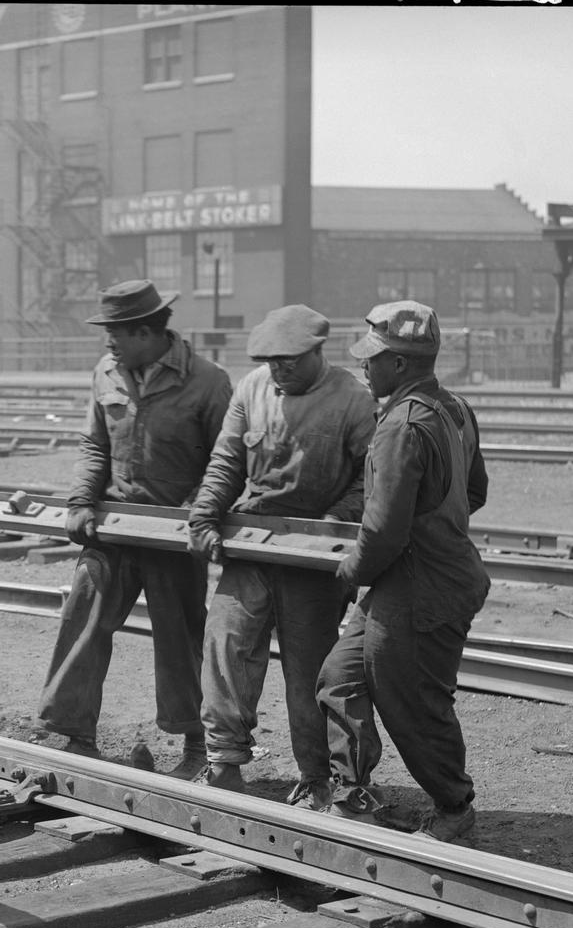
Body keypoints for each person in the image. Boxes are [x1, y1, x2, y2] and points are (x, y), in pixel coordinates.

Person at [316, 300, 491, 843]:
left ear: (399, 364)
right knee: (340, 676)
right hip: (414, 576)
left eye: (372, 358)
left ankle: (453, 809)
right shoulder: (454, 409)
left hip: (423, 587)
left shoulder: (402, 426)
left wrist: (350, 569)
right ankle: (353, 792)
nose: (363, 367)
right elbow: (475, 492)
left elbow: (384, 533)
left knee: (412, 701)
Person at [37, 279, 231, 767]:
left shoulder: (207, 382)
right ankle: (74, 734)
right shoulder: (107, 372)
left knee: (181, 638)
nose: (108, 343)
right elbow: (94, 445)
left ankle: (195, 745)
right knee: (83, 620)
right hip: (113, 530)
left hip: (172, 536)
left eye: (116, 333)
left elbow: (225, 462)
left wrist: (195, 513)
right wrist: (81, 501)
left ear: (146, 332)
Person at [186, 305, 377, 800]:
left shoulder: (353, 400)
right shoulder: (251, 389)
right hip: (252, 548)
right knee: (225, 647)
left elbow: (371, 478)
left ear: (317, 351)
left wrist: (335, 522)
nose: (279, 369)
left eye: (289, 360)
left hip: (313, 559)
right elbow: (227, 459)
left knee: (309, 671)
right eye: (271, 360)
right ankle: (224, 763)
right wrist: (206, 515)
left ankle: (319, 778)